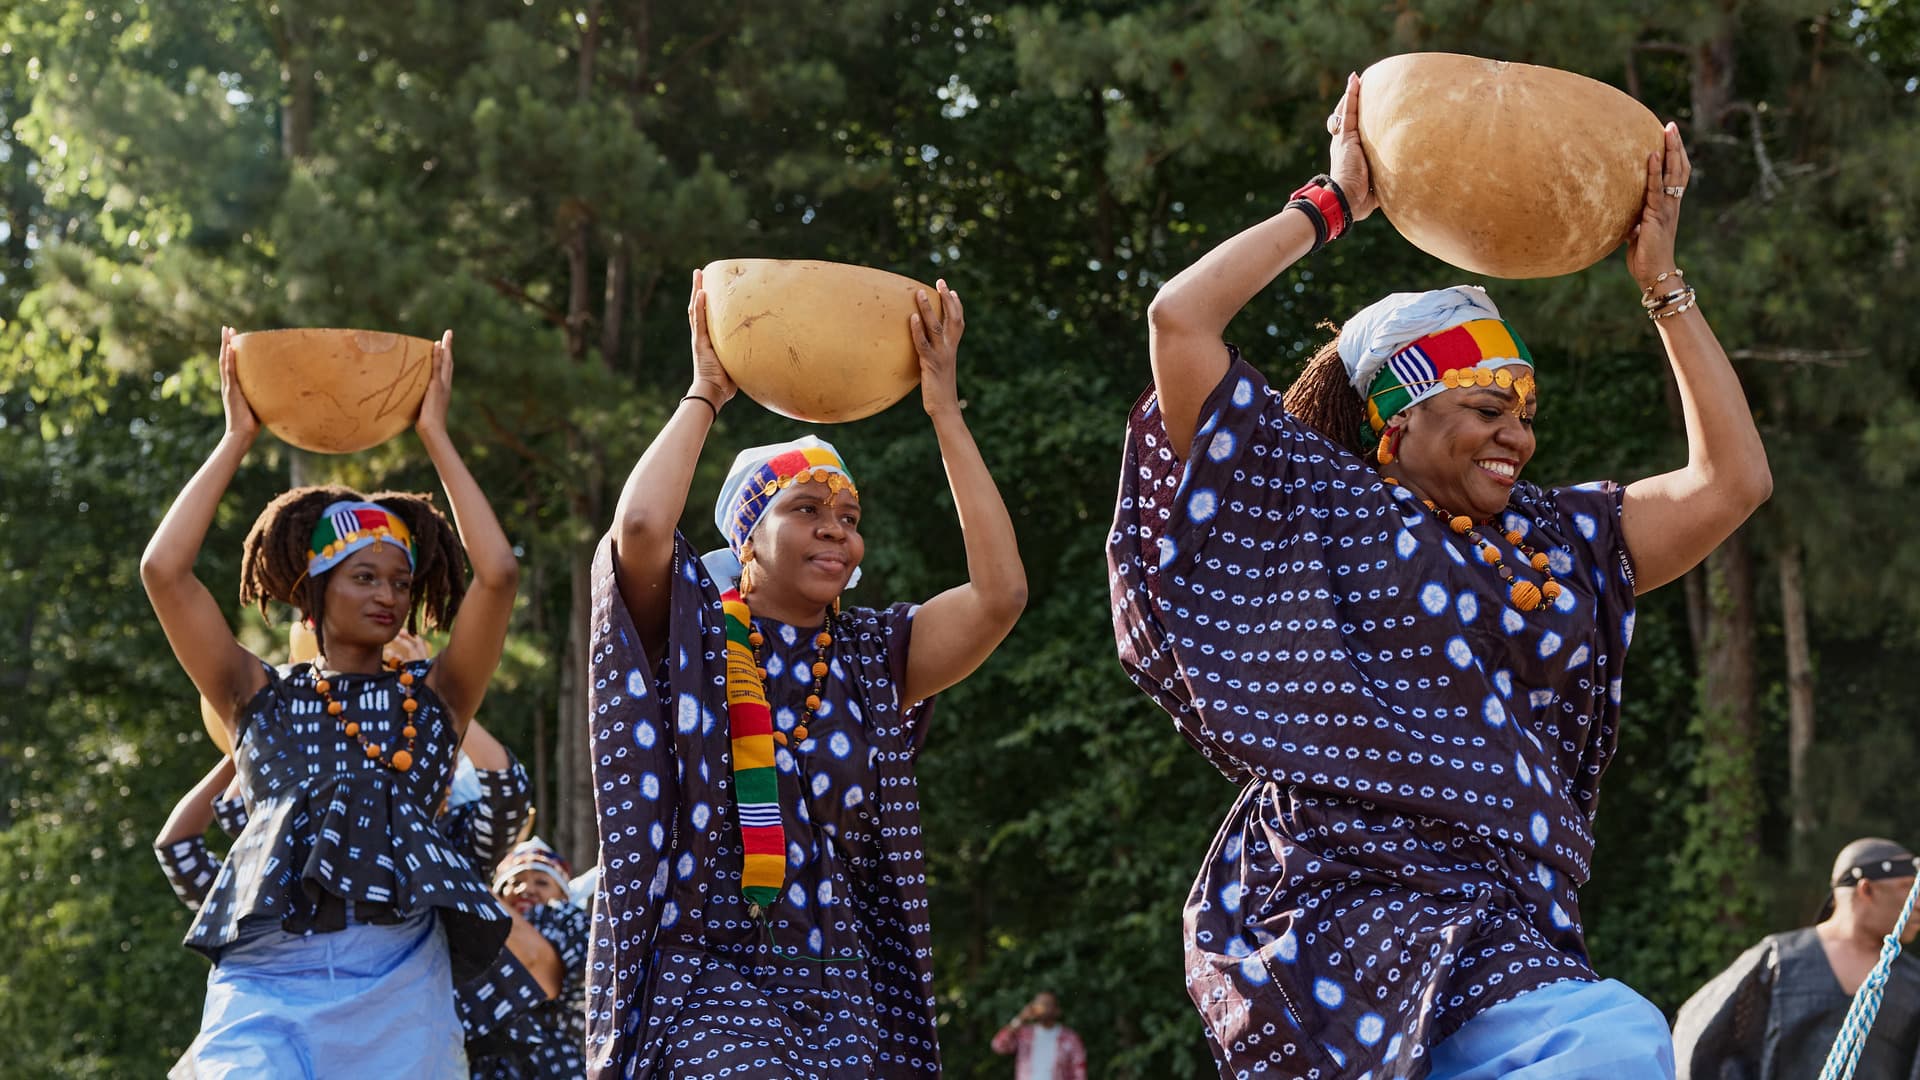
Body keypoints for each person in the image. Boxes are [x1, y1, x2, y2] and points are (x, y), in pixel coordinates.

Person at [1106, 73, 1771, 1078]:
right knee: (1615, 1041)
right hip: (1350, 897)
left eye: (1526, 414)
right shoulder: (1320, 502)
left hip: (1507, 911)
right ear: (1400, 419)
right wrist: (1332, 203)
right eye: (1484, 409)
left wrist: (1663, 285)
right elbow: (1179, 322)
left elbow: (1733, 483)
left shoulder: (1560, 538)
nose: (1516, 435)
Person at [581, 270, 1026, 1076]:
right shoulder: (693, 636)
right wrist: (705, 391)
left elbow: (1000, 597)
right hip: (703, 968)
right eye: (806, 511)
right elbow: (642, 525)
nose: (835, 532)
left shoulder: (870, 654)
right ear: (747, 538)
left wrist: (945, 411)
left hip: (842, 984)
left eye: (848, 518)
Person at [142, 328, 519, 1077]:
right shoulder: (256, 694)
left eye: (401, 581)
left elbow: (499, 574)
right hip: (265, 976)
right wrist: (235, 437)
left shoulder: (435, 695)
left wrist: (435, 435)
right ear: (314, 590)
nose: (388, 595)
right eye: (364, 577)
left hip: (401, 975)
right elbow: (163, 570)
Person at [1674, 838, 1920, 1078]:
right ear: (1867, 889)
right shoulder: (1779, 960)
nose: (1917, 903)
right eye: (1908, 887)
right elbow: (1704, 1044)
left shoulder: (1914, 980)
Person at [464, 837, 592, 1079]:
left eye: (542, 882)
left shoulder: (565, 921)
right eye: (514, 882)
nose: (526, 889)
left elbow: (538, 971)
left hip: (553, 1064)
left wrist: (465, 883)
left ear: (563, 895)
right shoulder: (476, 936)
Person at [991, 992, 1088, 1080]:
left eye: (1046, 1004)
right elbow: (998, 1046)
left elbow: (1079, 1070)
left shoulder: (1070, 1038)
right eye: (1038, 1003)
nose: (1041, 1006)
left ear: (1057, 1010)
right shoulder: (1024, 1034)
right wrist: (1020, 1019)